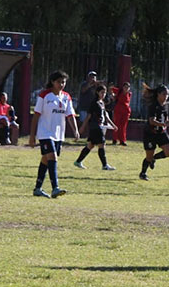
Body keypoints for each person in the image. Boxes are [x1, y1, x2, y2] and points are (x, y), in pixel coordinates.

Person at [29, 70, 80, 198]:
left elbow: (70, 115)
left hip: (58, 134)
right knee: (52, 157)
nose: (61, 84)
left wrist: (75, 130)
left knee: (46, 160)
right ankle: (55, 188)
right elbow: (36, 116)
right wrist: (32, 136)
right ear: (52, 82)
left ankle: (37, 188)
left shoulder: (66, 97)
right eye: (59, 82)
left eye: (63, 82)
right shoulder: (44, 95)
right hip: (45, 132)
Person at [74, 85, 118, 170]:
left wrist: (113, 125)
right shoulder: (94, 103)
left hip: (100, 126)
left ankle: (78, 161)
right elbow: (88, 116)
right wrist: (82, 127)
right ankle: (105, 165)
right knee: (102, 144)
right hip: (95, 126)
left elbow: (106, 116)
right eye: (102, 92)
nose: (103, 94)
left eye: (105, 92)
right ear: (97, 92)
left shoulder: (102, 103)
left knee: (90, 145)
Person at [139, 84, 169, 181]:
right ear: (158, 94)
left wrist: (168, 122)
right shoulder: (153, 106)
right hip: (150, 133)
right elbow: (151, 121)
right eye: (164, 94)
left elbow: (165, 118)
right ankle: (143, 173)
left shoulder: (166, 105)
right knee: (148, 157)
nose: (166, 96)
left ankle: (154, 158)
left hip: (161, 132)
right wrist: (163, 124)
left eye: (167, 94)